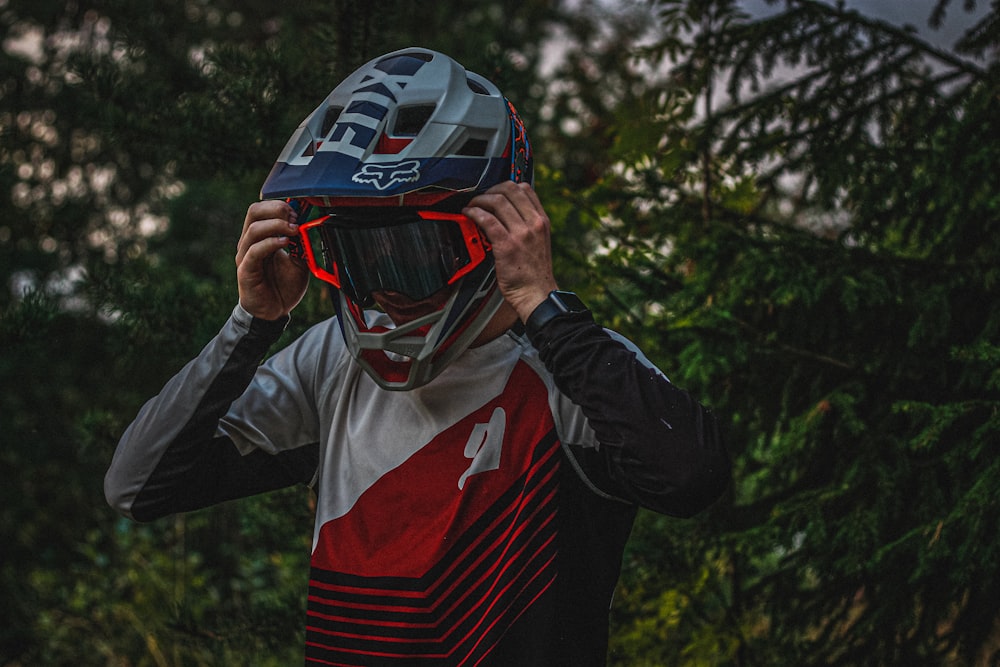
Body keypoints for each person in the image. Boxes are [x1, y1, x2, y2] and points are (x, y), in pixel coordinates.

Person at [105, 47, 730, 666]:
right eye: (354, 258)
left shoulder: (568, 366)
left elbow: (691, 476)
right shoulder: (329, 361)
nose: (384, 290)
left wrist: (542, 303)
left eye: (411, 253)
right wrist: (252, 323)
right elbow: (138, 486)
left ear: (495, 230)